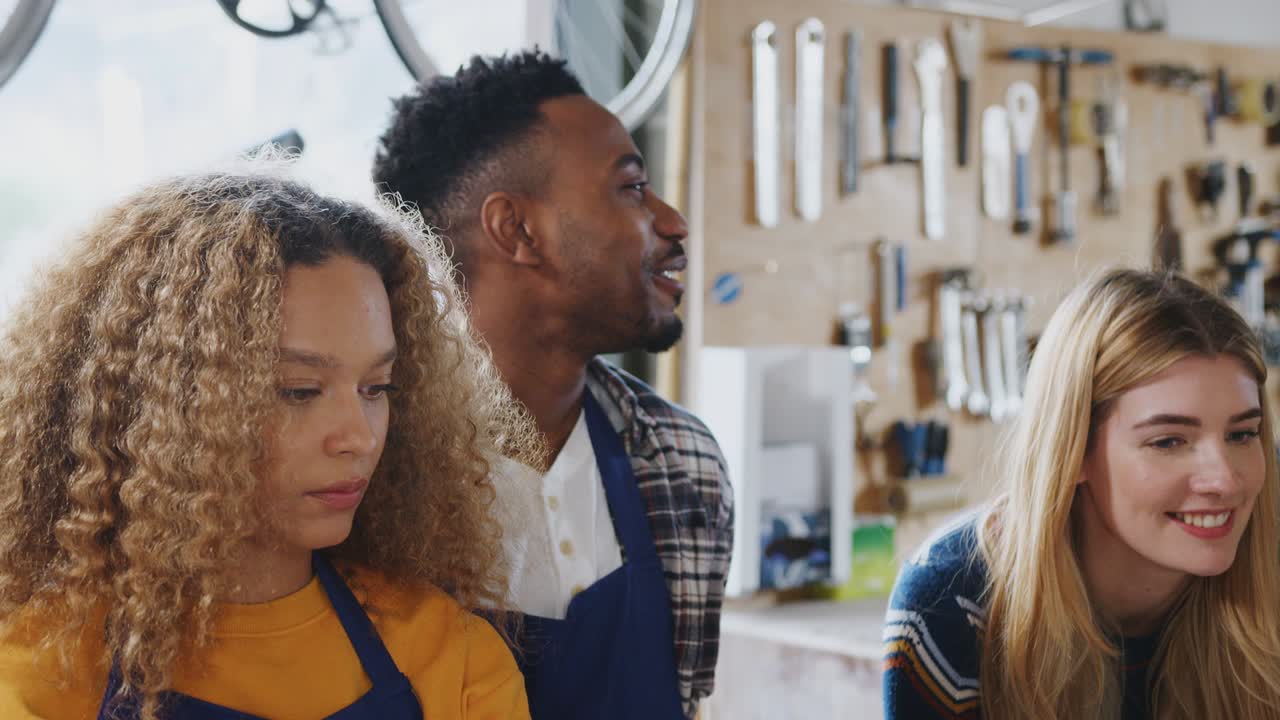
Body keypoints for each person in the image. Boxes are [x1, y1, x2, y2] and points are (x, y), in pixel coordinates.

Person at [0, 169, 540, 720]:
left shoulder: (454, 658)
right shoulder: (38, 670)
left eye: (376, 388)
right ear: (162, 405)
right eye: (299, 391)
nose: (358, 436)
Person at [372, 51, 733, 719]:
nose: (674, 223)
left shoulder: (681, 460)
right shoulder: (367, 473)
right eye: (631, 188)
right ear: (517, 230)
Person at [882, 268, 1280, 720]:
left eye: (1243, 435)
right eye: (1167, 441)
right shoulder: (952, 598)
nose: (1225, 480)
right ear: (1073, 451)